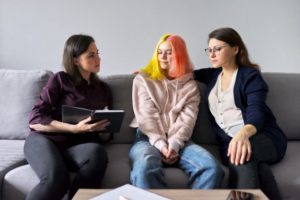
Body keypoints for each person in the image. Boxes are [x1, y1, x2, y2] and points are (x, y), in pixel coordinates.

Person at [194, 27, 287, 199]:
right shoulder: (212, 75)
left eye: (218, 49)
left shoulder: (250, 76)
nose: (212, 54)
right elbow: (181, 73)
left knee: (243, 156)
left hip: (264, 137)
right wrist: (150, 74)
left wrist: (242, 135)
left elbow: (256, 113)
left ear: (235, 49)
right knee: (258, 168)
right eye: (209, 50)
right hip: (228, 145)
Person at [129, 34, 224, 189]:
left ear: (179, 55)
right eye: (160, 52)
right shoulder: (143, 80)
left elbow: (187, 119)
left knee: (211, 168)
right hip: (148, 137)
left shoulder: (190, 86)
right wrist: (161, 145)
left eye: (169, 52)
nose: (163, 57)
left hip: (181, 140)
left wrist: (174, 145)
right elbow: (147, 117)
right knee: (144, 168)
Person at [24, 34, 112, 200]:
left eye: (98, 53)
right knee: (57, 178)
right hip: (45, 140)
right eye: (91, 55)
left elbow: (105, 136)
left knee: (98, 152)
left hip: (76, 147)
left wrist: (104, 128)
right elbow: (35, 119)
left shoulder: (104, 89)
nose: (98, 58)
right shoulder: (60, 80)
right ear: (76, 60)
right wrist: (73, 128)